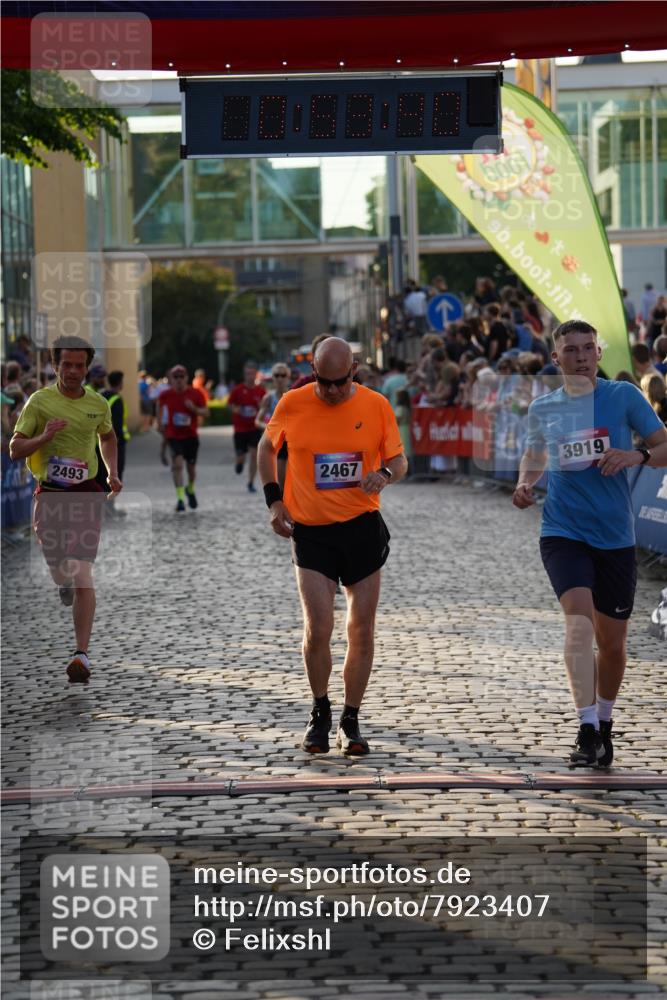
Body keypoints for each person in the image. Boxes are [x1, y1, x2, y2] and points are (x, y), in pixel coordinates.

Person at [512, 319, 667, 767]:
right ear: (555, 357)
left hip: (615, 535)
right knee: (578, 626)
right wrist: (525, 483)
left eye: (587, 348)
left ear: (598, 353)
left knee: (612, 644)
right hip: (563, 532)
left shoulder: (624, 397)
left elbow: (664, 446)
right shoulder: (544, 408)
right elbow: (535, 454)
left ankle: (603, 722)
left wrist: (635, 455)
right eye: (570, 350)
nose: (580, 357)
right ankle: (585, 727)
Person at [258, 337, 407, 757]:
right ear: (314, 373)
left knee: (361, 628)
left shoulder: (376, 405)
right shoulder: (293, 402)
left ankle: (351, 718)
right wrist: (274, 501)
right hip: (312, 531)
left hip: (362, 528)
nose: (333, 390)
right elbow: (267, 447)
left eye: (341, 382)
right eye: (324, 382)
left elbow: (399, 460)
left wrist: (384, 475)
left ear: (354, 370)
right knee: (318, 626)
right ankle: (320, 710)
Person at [9, 335, 121, 684]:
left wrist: (112, 472)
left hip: (86, 493)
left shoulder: (98, 404)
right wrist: (43, 438)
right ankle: (63, 582)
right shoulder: (39, 402)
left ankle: (81, 654)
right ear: (55, 366)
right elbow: (14, 449)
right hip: (50, 494)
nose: (73, 371)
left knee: (82, 571)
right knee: (61, 571)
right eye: (66, 365)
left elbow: (107, 436)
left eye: (79, 365)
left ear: (87, 368)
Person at [158, 365, 208, 512]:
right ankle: (180, 499)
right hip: (173, 436)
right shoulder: (165, 395)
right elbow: (159, 408)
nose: (179, 380)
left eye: (181, 377)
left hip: (191, 436)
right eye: (176, 377)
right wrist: (159, 423)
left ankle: (190, 489)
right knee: (178, 465)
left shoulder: (195, 393)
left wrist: (194, 409)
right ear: (171, 379)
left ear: (186, 378)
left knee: (191, 469)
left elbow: (206, 412)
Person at [228, 361, 266, 493]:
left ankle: (250, 482)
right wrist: (235, 409)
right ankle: (239, 463)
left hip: (254, 428)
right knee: (241, 457)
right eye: (247, 374)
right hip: (240, 429)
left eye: (251, 373)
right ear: (244, 375)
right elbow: (230, 404)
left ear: (256, 374)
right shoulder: (238, 390)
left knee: (254, 455)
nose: (249, 376)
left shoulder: (261, 391)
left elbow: (265, 407)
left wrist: (261, 407)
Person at [255, 362, 291, 491]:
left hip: (293, 439)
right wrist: (270, 428)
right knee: (282, 482)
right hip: (278, 441)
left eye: (283, 375)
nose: (280, 378)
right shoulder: (268, 398)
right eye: (277, 375)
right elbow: (257, 421)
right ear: (273, 378)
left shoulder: (294, 395)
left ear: (288, 377)